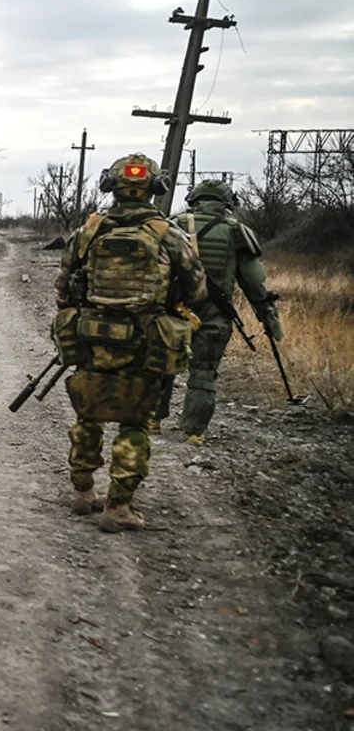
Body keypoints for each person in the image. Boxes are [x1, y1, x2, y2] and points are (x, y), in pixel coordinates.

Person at [53, 153, 206, 532]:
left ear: (112, 188)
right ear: (156, 188)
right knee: (135, 420)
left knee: (88, 414)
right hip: (145, 341)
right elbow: (197, 291)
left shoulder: (90, 230)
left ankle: (82, 492)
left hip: (92, 338)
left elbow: (63, 289)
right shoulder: (168, 234)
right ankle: (119, 507)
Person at [168, 179, 283, 445]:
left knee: (162, 363)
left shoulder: (173, 226)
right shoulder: (236, 232)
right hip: (215, 311)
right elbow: (254, 282)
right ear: (227, 203)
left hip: (173, 308)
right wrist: (266, 314)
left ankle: (152, 421)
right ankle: (194, 431)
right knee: (204, 369)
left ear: (193, 200)